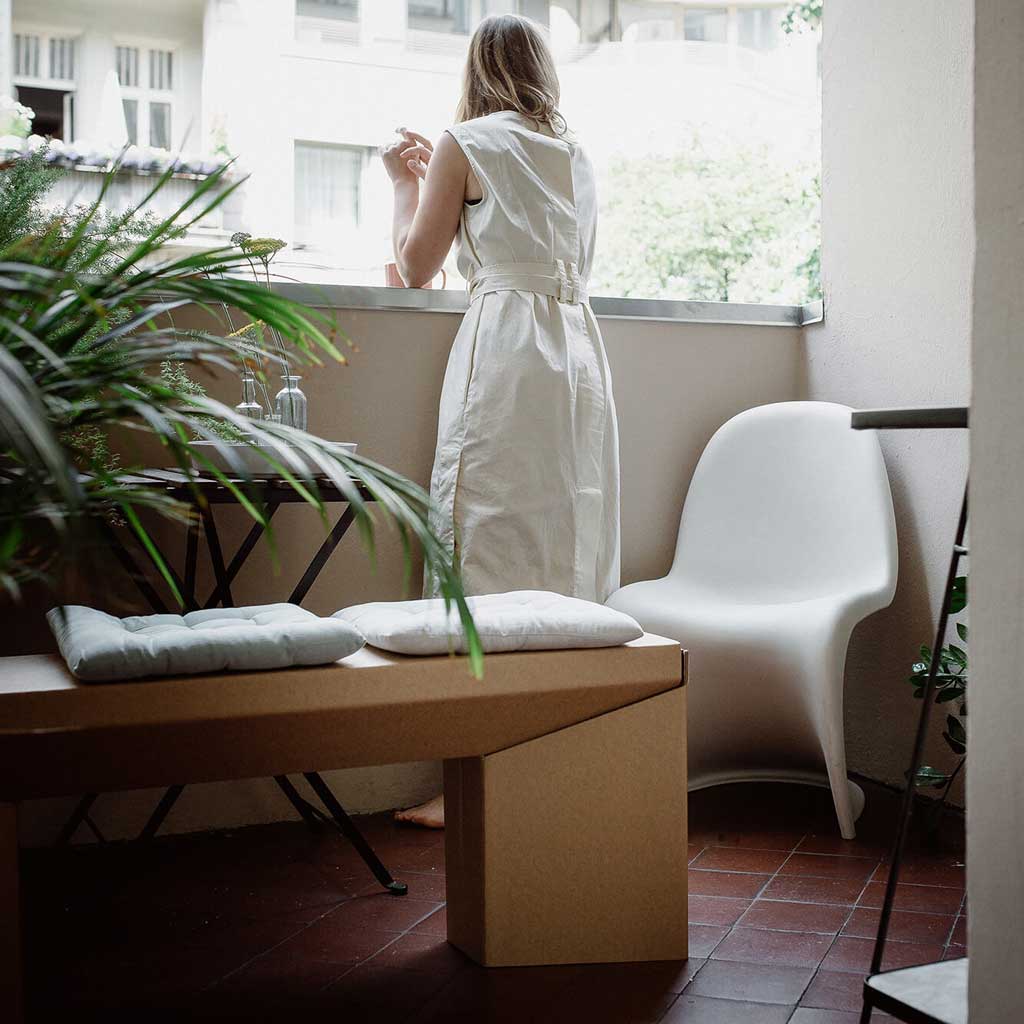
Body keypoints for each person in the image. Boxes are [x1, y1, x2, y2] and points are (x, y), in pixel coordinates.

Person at [381, 13, 620, 829]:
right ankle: (555, 764)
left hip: (511, 349)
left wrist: (404, 184)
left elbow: (415, 268)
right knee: (566, 544)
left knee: (483, 541)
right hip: (578, 354)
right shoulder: (576, 153)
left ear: (477, 67)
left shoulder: (466, 140)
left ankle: (470, 786)